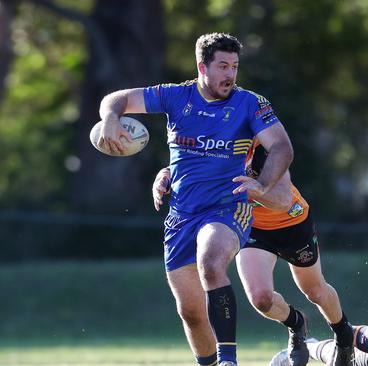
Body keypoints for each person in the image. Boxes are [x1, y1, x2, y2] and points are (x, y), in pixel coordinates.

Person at [98, 32, 294, 366]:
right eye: (222, 66)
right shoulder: (176, 96)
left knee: (211, 261)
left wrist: (261, 184)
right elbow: (115, 98)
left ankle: (229, 360)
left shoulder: (250, 103)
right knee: (190, 312)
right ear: (202, 67)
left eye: (234, 66)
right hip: (181, 214)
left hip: (227, 207)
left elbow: (282, 147)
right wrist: (110, 119)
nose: (230, 74)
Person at [152, 137, 356, 366]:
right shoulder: (214, 144)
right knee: (261, 299)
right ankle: (296, 323)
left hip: (291, 222)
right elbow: (185, 163)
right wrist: (164, 176)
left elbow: (283, 200)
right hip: (249, 226)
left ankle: (344, 335)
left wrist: (252, 190)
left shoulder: (266, 148)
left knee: (315, 291)